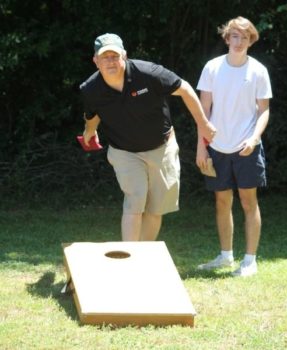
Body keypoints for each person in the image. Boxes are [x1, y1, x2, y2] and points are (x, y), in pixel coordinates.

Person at [80, 33, 216, 242]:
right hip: (124, 152)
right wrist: (90, 131)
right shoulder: (90, 89)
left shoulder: (148, 73)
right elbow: (92, 114)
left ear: (124, 55)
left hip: (162, 148)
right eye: (104, 57)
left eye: (114, 56)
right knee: (134, 202)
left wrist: (204, 124)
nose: (110, 61)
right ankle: (129, 259)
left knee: (156, 208)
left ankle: (143, 256)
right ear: (95, 60)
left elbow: (186, 89)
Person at [196, 17, 272, 276]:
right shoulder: (212, 68)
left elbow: (264, 112)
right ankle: (226, 256)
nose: (240, 42)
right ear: (227, 39)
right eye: (235, 36)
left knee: (249, 202)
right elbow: (203, 112)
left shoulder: (258, 71)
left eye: (245, 37)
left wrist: (253, 139)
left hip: (246, 148)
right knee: (221, 201)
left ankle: (250, 261)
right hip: (216, 147)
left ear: (252, 40)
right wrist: (201, 147)